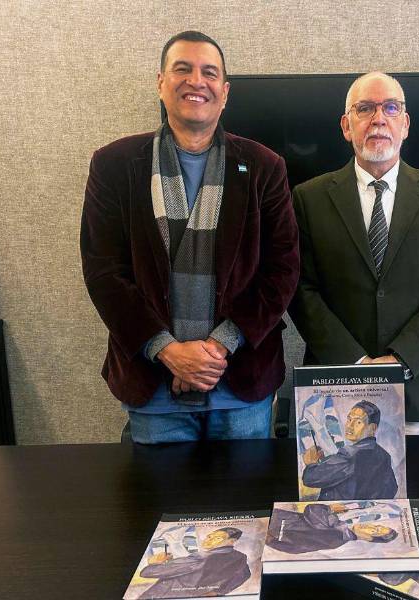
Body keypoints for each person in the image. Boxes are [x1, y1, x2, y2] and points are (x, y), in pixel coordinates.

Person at [80, 31, 299, 443]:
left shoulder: (264, 166)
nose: (196, 81)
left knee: (245, 505)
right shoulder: (114, 165)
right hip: (153, 388)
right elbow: (102, 272)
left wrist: (216, 349)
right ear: (160, 82)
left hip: (241, 386)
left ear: (225, 91)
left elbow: (283, 268)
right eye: (182, 69)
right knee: (160, 505)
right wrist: (167, 351)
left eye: (209, 72)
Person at [289, 72, 419, 435]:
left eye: (390, 108)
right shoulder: (308, 198)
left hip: (416, 384)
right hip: (334, 385)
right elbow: (300, 290)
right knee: (337, 488)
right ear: (346, 125)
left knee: (416, 490)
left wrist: (397, 360)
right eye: (365, 108)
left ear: (405, 124)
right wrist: (357, 364)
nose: (378, 118)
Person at [302, 400, 398, 500]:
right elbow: (392, 489)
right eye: (349, 419)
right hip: (367, 512)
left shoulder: (350, 454)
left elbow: (310, 478)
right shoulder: (384, 455)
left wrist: (311, 463)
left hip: (340, 512)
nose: (349, 426)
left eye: (358, 422)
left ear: (372, 428)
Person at [139, 527, 250, 598]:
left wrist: (153, 562)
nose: (208, 540)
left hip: (164, 595)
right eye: (209, 536)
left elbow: (147, 573)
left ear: (231, 541)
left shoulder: (201, 557)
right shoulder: (240, 557)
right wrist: (219, 592)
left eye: (217, 538)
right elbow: (244, 574)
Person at [265, 502, 398, 555]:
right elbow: (298, 549)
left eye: (374, 531)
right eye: (376, 526)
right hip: (274, 526)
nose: (370, 526)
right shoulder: (338, 540)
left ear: (369, 538)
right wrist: (272, 542)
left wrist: (330, 508)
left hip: (274, 522)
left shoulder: (340, 531)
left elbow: (312, 511)